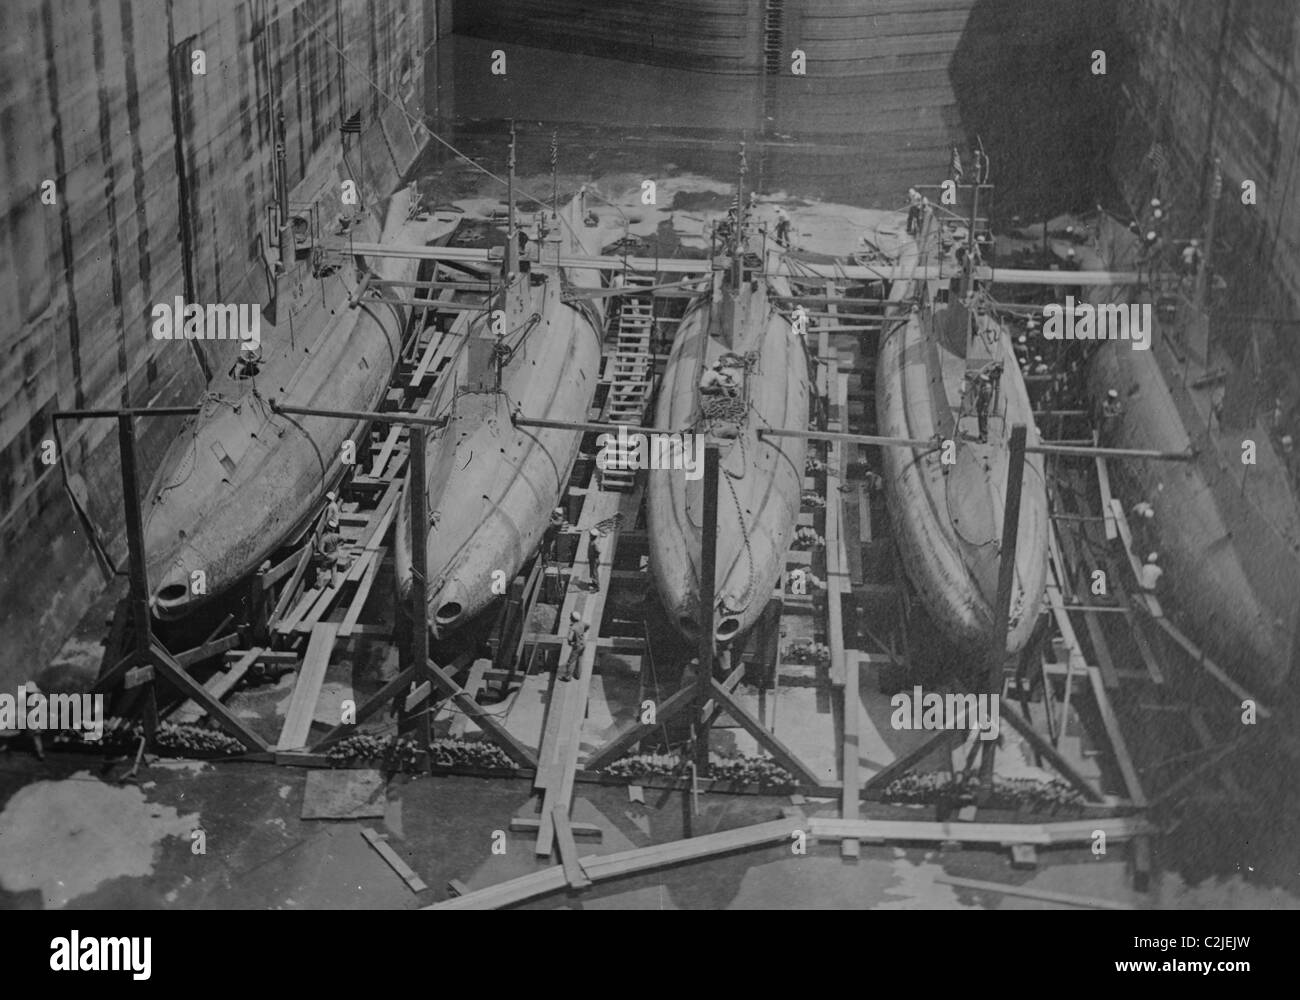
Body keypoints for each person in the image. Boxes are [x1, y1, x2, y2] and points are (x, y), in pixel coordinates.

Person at [559, 611, 589, 682]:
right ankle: (577, 675)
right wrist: (584, 631)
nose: (570, 618)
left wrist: (570, 642)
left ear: (573, 618)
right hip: (583, 644)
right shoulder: (582, 623)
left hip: (577, 645)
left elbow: (569, 638)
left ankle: (567, 677)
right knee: (580, 659)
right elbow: (588, 625)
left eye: (570, 617)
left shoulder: (573, 627)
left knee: (571, 661)